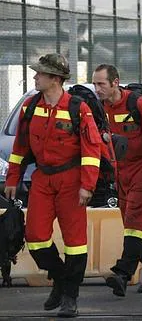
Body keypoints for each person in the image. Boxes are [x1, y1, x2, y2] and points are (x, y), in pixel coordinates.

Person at [5, 53, 102, 317]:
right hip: (42, 180)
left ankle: (70, 297)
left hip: (72, 181)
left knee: (75, 242)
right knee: (35, 238)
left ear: (55, 79)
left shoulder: (78, 108)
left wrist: (87, 186)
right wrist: (13, 178)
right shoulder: (29, 106)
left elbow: (92, 150)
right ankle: (60, 279)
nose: (35, 76)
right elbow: (20, 148)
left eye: (40, 73)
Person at [93, 64, 142, 297]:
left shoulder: (138, 104)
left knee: (136, 219)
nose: (97, 89)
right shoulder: (100, 108)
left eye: (101, 84)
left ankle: (123, 273)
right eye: (95, 84)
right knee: (139, 225)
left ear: (115, 82)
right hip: (121, 173)